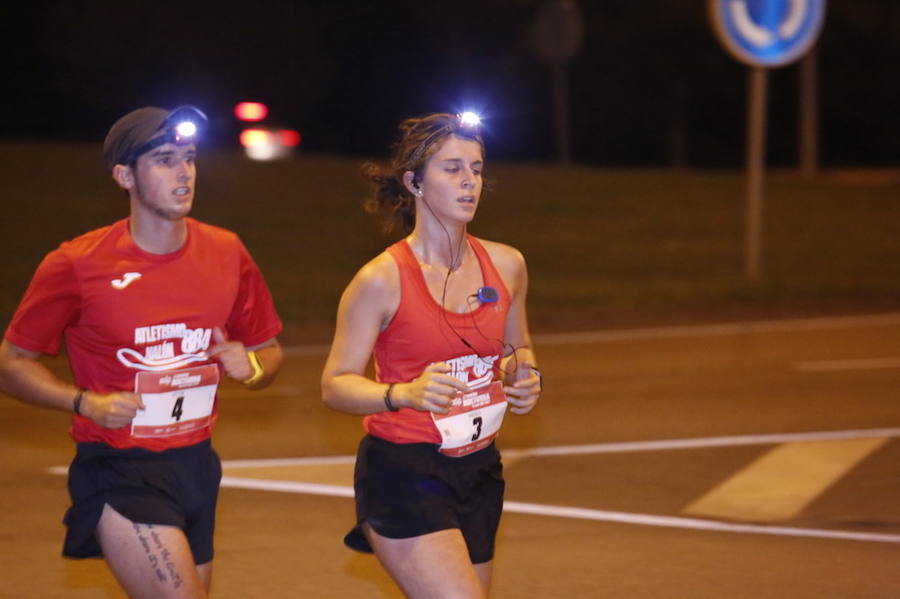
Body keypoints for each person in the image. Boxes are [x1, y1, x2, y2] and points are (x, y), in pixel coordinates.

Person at [0, 105, 283, 598]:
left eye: (189, 158)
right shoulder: (76, 264)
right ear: (124, 175)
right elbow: (11, 363)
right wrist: (85, 402)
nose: (183, 173)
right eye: (165, 159)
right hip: (119, 469)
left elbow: (267, 350)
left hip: (196, 465)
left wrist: (254, 368)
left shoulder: (227, 252)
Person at [321, 112, 542, 598]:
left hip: (480, 470)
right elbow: (335, 383)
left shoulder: (508, 265)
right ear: (414, 182)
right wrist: (403, 394)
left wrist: (520, 377)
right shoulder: (381, 279)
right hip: (404, 472)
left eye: (477, 169)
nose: (469, 182)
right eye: (452, 168)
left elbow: (516, 349)